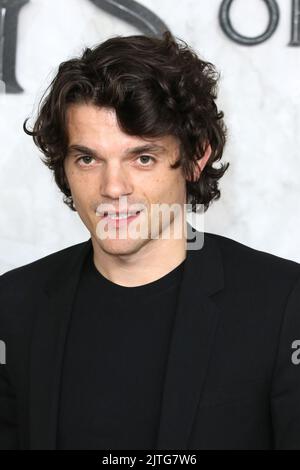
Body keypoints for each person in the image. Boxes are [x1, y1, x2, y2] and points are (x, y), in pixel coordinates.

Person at [0, 30, 299, 450]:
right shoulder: (13, 305)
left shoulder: (283, 303)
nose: (113, 187)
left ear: (196, 159)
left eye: (142, 158)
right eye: (88, 158)